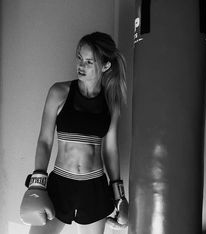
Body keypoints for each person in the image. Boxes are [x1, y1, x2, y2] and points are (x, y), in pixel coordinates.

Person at [20, 32, 128, 234]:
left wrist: (119, 196)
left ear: (105, 66)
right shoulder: (58, 93)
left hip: (94, 189)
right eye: (79, 58)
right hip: (60, 186)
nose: (81, 65)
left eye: (89, 61)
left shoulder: (111, 103)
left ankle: (105, 220)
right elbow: (44, 140)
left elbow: (111, 150)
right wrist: (37, 185)